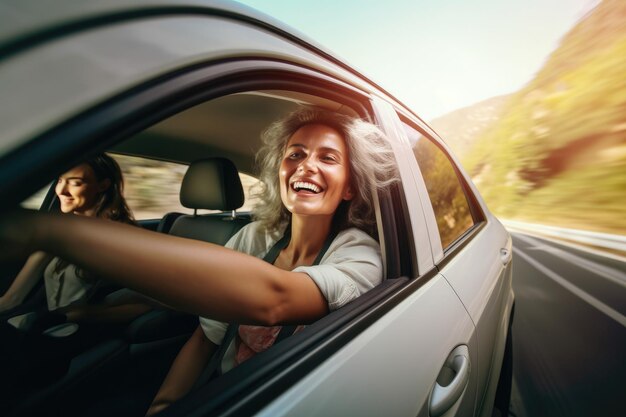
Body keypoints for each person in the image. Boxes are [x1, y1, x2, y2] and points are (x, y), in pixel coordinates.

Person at [0, 107, 398, 414]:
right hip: (225, 389)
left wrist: (46, 231)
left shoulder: (360, 254)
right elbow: (207, 336)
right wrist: (163, 406)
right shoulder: (254, 236)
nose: (306, 164)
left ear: (349, 188)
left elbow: (275, 299)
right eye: (296, 153)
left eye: (328, 159)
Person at [0, 153, 149, 326]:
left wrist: (85, 315)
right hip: (51, 327)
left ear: (103, 185)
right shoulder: (57, 231)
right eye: (60, 180)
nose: (62, 191)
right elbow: (12, 299)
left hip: (93, 332)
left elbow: (145, 304)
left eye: (76, 183)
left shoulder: (123, 239)